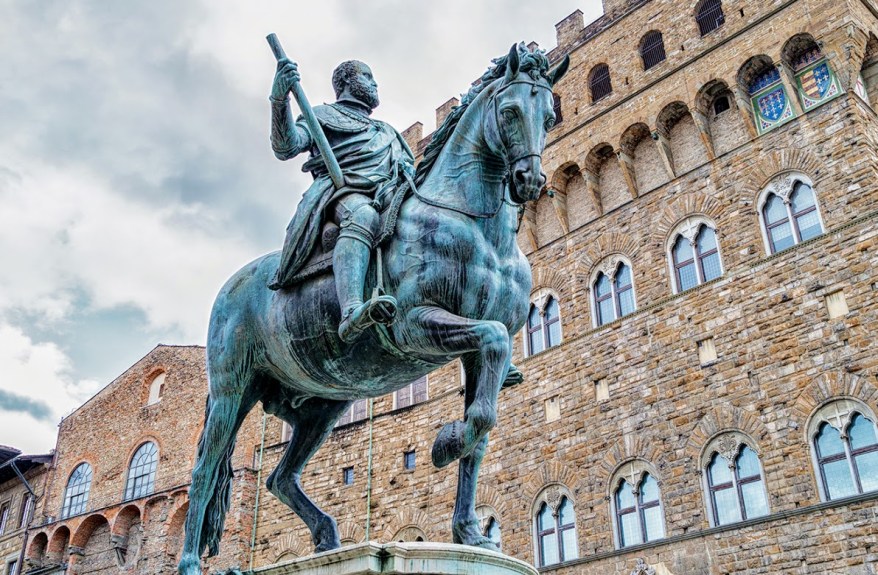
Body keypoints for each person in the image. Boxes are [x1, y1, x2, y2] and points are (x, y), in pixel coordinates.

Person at [268, 58, 415, 343]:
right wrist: (279, 99)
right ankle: (351, 311)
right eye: (368, 76)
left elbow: (406, 166)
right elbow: (286, 147)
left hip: (389, 194)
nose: (375, 83)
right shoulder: (322, 115)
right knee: (363, 216)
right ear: (347, 81)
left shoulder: (386, 131)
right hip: (343, 194)